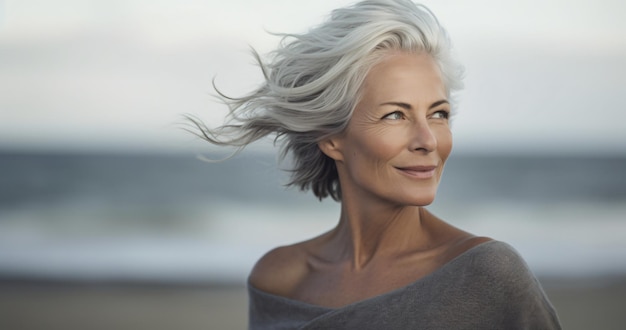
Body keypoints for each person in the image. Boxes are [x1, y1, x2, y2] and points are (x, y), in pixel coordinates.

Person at [187, 0, 561, 328]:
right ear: (331, 138)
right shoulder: (278, 278)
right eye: (396, 115)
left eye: (439, 113)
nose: (428, 140)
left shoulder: (487, 273)